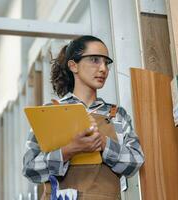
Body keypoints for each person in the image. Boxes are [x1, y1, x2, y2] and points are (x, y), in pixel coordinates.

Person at [22, 35, 145, 199]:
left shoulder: (116, 115)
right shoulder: (49, 113)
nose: (103, 69)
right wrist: (68, 151)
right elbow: (30, 169)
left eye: (106, 63)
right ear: (73, 65)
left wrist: (104, 144)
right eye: (94, 60)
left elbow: (135, 162)